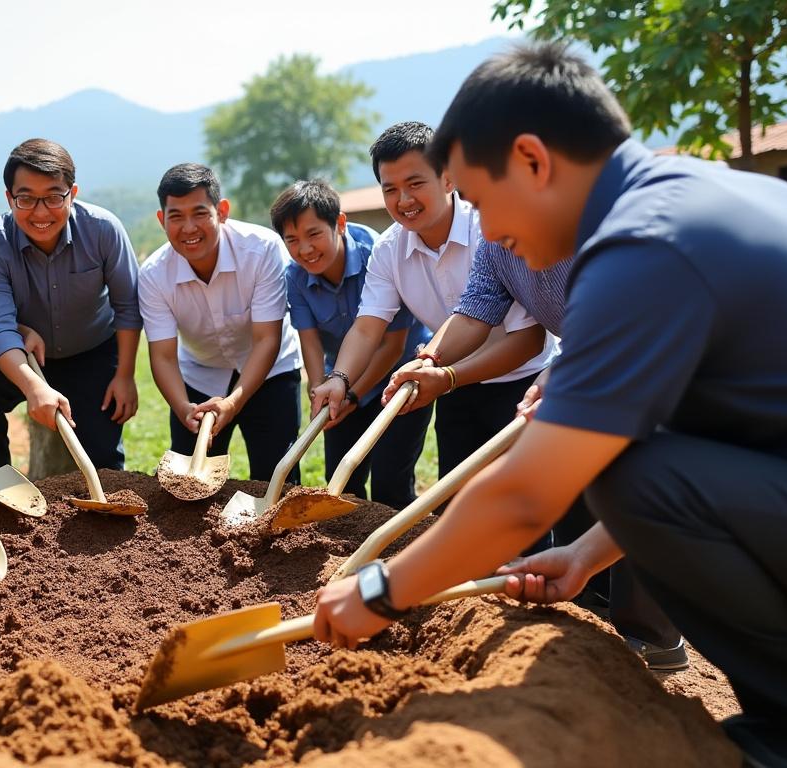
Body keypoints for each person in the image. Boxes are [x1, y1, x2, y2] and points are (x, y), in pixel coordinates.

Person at [313, 42, 787, 766]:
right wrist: (589, 554)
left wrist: (381, 589)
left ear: (533, 160)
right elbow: (700, 454)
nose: (486, 231)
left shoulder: (644, 249)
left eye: (481, 202)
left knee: (620, 469)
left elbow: (526, 496)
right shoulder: (695, 199)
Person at [386, 238, 687, 670]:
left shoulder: (594, 231)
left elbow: (631, 314)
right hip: (590, 355)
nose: (481, 223)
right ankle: (593, 597)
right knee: (581, 478)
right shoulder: (495, 247)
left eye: (483, 205)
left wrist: (572, 370)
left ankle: (654, 637)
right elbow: (474, 312)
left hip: (654, 357)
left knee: (638, 477)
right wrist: (432, 360)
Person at [311, 122, 554, 524]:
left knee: (522, 514)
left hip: (524, 383)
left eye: (415, 183)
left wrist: (446, 374)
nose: (403, 200)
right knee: (455, 508)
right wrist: (339, 378)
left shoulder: (491, 231)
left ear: (448, 178)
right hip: (450, 383)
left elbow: (528, 340)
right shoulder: (389, 249)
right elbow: (368, 327)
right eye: (390, 189)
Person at [0, 139, 141, 471]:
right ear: (9, 198)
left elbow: (127, 306)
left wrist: (125, 376)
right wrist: (33, 386)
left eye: (54, 197)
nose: (40, 213)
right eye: (26, 199)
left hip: (92, 352)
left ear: (72, 194)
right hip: (24, 355)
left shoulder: (103, 230)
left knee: (101, 462)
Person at [272, 179, 431, 507]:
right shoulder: (295, 276)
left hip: (400, 377)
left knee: (390, 482)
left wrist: (353, 396)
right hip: (341, 380)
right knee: (341, 484)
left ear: (340, 224)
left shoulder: (380, 256)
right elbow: (310, 342)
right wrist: (319, 390)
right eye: (292, 240)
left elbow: (392, 346)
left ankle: (398, 538)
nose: (305, 249)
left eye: (314, 234)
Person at [139, 164, 301, 481]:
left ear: (222, 211)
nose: (189, 228)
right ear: (162, 220)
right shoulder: (154, 274)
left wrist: (233, 403)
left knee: (276, 478)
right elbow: (163, 356)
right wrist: (183, 407)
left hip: (271, 370)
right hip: (200, 373)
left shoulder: (262, 249)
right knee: (189, 479)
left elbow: (267, 339)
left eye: (200, 213)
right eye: (176, 216)